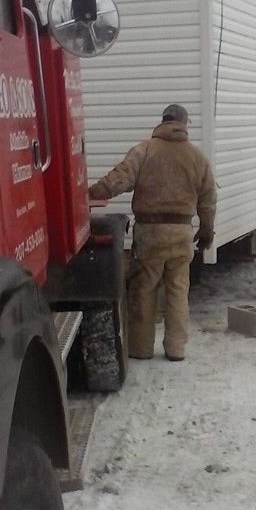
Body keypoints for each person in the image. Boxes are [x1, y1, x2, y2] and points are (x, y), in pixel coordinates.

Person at [88, 104, 216, 361]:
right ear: (184, 124)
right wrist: (206, 230)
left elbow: (118, 179)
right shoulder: (198, 157)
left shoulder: (145, 150)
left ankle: (141, 348)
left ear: (163, 121)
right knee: (178, 290)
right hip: (181, 233)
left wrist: (90, 194)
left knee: (144, 289)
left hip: (150, 233)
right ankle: (176, 348)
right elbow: (208, 200)